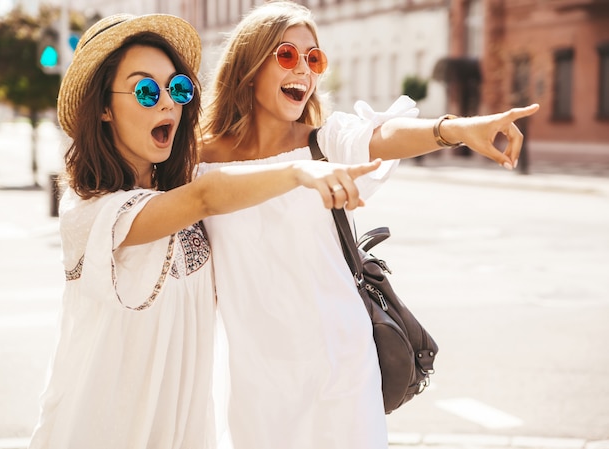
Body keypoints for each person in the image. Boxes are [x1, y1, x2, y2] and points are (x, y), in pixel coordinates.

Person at [27, 13, 381, 449]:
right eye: (145, 90)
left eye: (177, 88)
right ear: (102, 106)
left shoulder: (181, 185)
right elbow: (207, 197)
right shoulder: (91, 212)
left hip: (183, 433)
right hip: (102, 430)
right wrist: (299, 170)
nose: (167, 104)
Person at [198, 2, 540, 448]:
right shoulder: (199, 160)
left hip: (341, 362)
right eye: (287, 55)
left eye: (313, 58)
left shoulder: (326, 142)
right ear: (248, 63)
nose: (304, 68)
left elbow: (382, 137)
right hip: (254, 375)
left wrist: (454, 129)